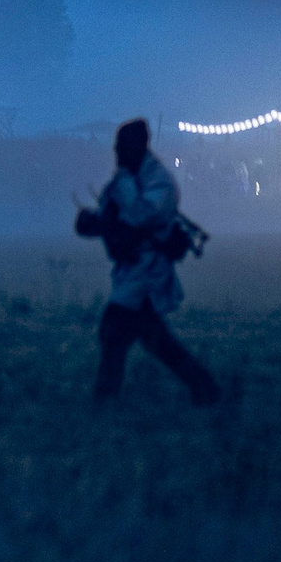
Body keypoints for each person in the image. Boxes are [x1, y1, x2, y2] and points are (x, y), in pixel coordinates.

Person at [77, 119, 220, 404]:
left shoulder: (160, 183)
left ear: (139, 146)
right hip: (132, 273)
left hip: (148, 276)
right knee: (156, 342)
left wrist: (124, 188)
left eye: (122, 146)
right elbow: (111, 215)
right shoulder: (128, 178)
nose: (117, 152)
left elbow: (139, 215)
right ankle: (205, 388)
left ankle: (105, 402)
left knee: (114, 332)